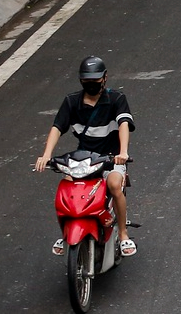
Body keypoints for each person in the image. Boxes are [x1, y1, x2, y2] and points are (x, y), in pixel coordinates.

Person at [36, 57, 135, 258]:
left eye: (96, 80)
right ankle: (65, 233)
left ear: (105, 78)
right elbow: (57, 127)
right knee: (66, 189)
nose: (91, 84)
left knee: (115, 185)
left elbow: (124, 123)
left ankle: (123, 234)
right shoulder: (71, 101)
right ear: (81, 81)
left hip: (110, 158)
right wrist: (46, 155)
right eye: (87, 80)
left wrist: (122, 153)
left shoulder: (116, 99)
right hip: (83, 159)